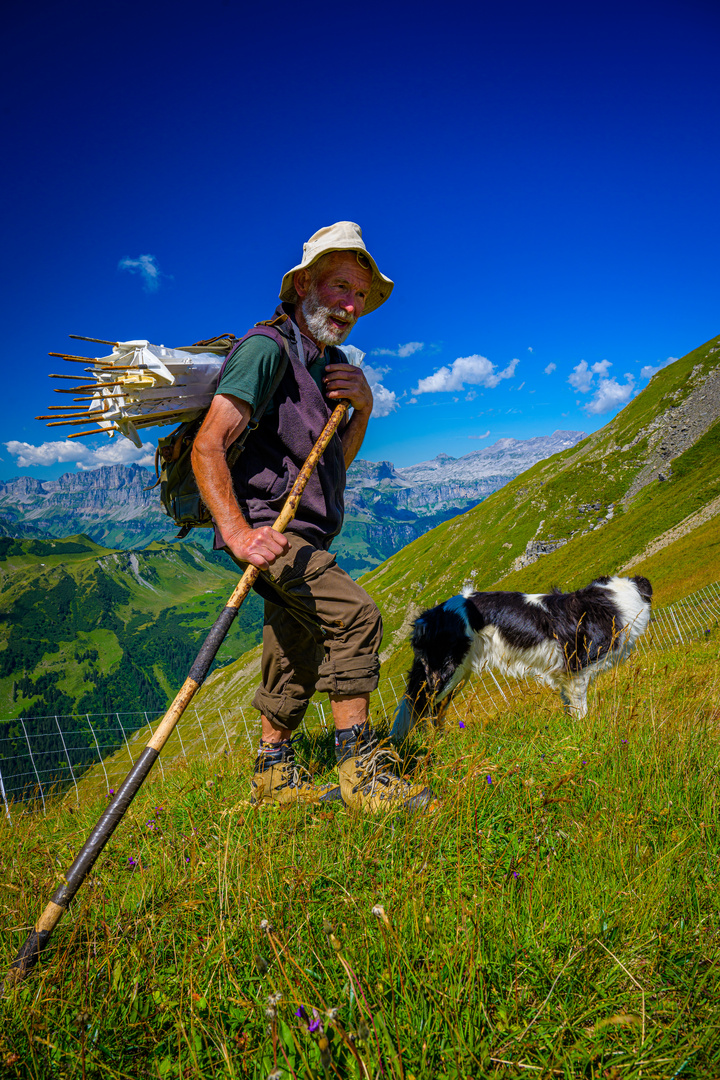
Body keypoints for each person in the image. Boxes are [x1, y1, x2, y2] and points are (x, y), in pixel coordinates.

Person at [192, 222, 434, 811]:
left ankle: (274, 776)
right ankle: (362, 774)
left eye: (359, 295)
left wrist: (364, 408)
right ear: (303, 284)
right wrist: (238, 533)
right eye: (339, 287)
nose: (350, 305)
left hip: (304, 527)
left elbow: (333, 465)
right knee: (354, 616)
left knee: (296, 642)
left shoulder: (331, 361)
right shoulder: (265, 349)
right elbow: (208, 446)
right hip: (270, 530)